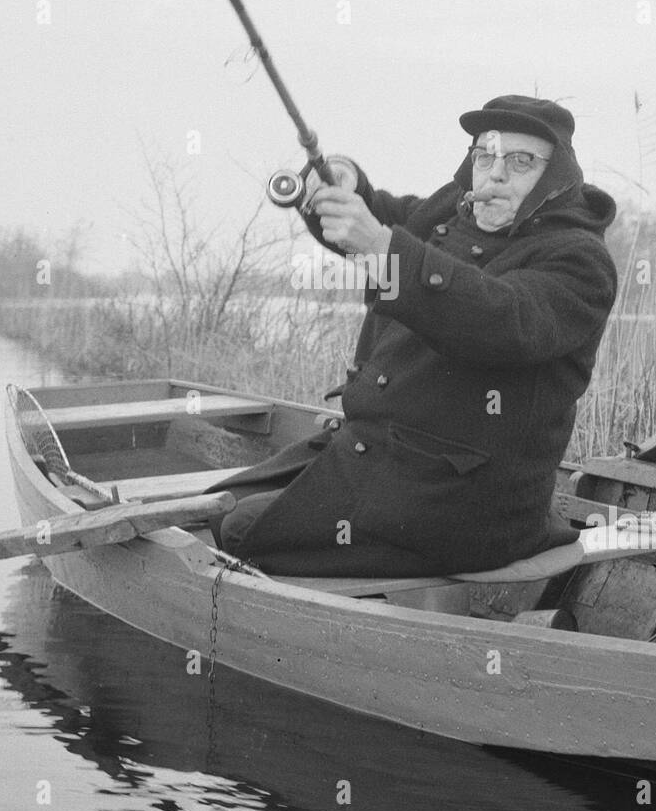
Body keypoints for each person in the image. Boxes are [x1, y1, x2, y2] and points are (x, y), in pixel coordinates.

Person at [210, 95, 618, 577]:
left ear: (558, 177)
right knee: (212, 508)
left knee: (238, 529)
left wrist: (383, 249)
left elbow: (502, 321)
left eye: (521, 161)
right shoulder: (456, 209)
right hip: (375, 456)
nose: (496, 174)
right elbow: (388, 218)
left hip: (462, 506)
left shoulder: (578, 260)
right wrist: (343, 183)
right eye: (485, 156)